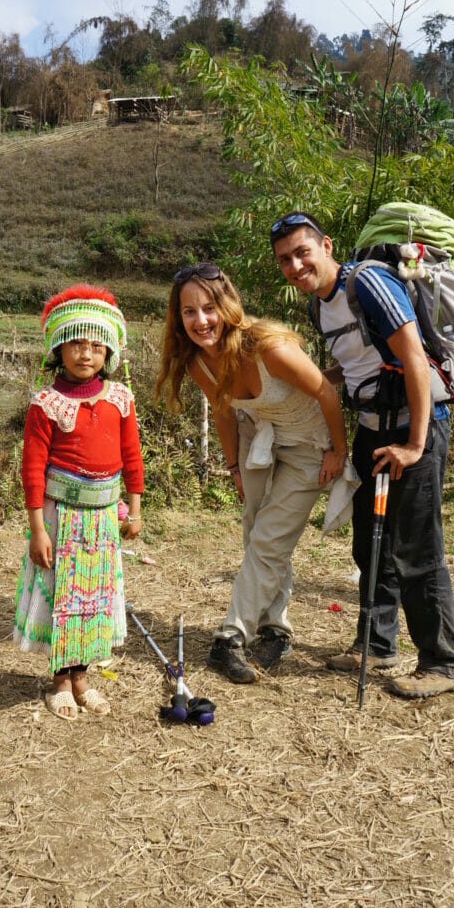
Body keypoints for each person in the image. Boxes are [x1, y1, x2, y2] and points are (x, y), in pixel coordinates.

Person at [270, 211, 454, 699]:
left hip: (414, 425)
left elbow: (416, 362)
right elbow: (356, 365)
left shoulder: (370, 284)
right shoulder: (321, 307)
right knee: (370, 544)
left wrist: (416, 445)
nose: (296, 265)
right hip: (372, 427)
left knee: (416, 547)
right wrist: (310, 382)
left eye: (302, 252)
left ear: (327, 246)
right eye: (285, 260)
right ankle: (377, 644)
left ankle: (444, 661)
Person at [154, 262, 348, 683]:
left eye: (209, 308)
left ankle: (229, 638)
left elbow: (326, 392)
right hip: (257, 435)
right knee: (256, 532)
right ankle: (275, 629)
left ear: (227, 305)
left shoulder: (267, 348)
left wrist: (338, 450)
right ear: (178, 318)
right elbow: (224, 409)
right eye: (189, 312)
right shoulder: (197, 363)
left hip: (309, 442)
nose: (201, 320)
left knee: (269, 538)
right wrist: (232, 466)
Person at [13, 285, 144, 720]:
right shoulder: (46, 404)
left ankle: (83, 679)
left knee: (95, 598)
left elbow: (131, 458)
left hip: (104, 516)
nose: (85, 353)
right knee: (62, 598)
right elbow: (32, 469)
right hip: (59, 516)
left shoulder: (120, 400)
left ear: (107, 350)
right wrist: (38, 529)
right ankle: (59, 682)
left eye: (95, 344)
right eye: (75, 343)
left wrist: (136, 508)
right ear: (58, 349)